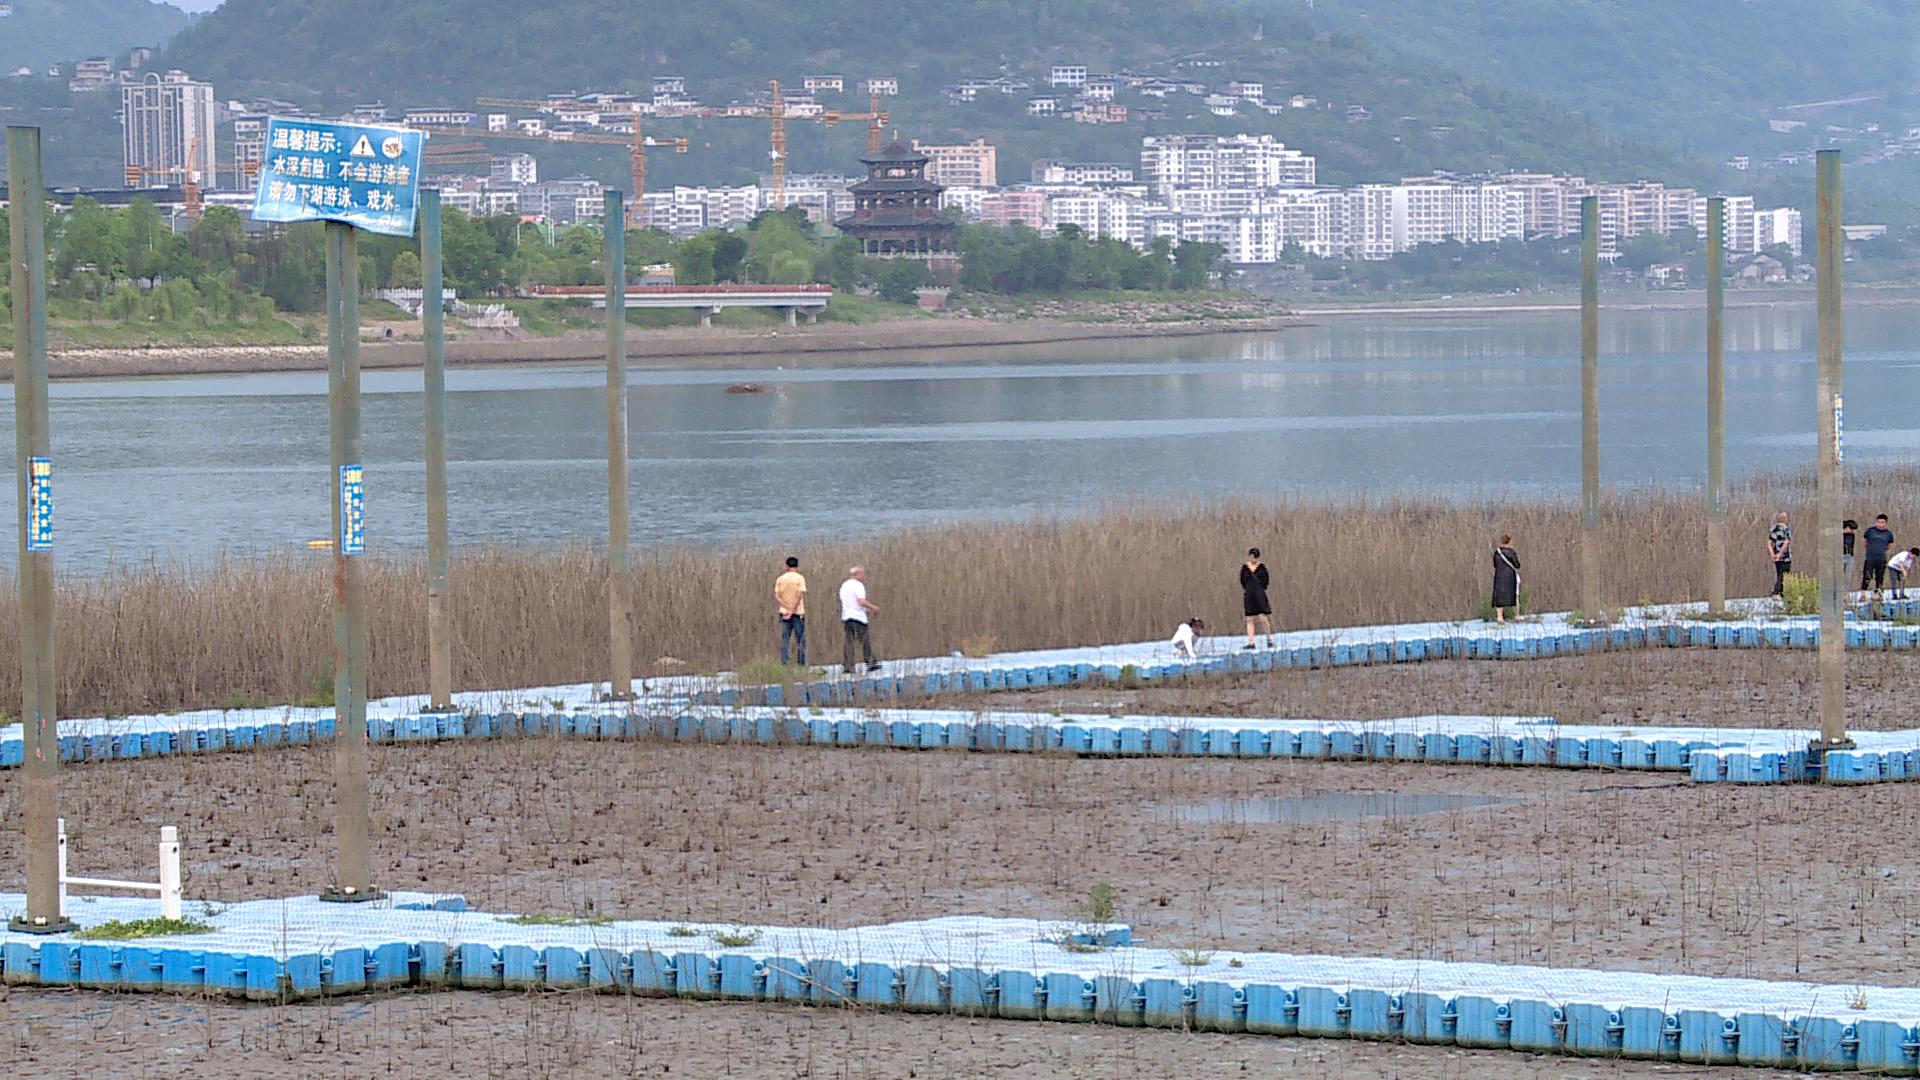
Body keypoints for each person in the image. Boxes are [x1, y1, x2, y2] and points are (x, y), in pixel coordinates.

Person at [838, 566, 880, 673]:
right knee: (865, 640)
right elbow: (861, 601)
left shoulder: (844, 585)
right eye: (862, 574)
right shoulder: (858, 585)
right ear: (857, 574)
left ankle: (848, 665)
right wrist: (873, 607)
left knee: (849, 641)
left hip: (847, 616)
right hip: (858, 617)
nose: (863, 576)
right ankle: (871, 663)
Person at [774, 556, 807, 667]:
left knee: (785, 639)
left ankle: (784, 663)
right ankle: (801, 664)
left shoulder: (780, 579)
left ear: (787, 566)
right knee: (800, 639)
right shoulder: (800, 578)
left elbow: (777, 596)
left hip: (784, 613)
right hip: (798, 613)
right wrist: (792, 610)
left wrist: (787, 608)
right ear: (797, 566)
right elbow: (799, 595)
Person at [1240, 547, 1273, 650]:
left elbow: (1266, 581)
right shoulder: (1245, 568)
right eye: (1251, 556)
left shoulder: (1262, 568)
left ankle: (1269, 639)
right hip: (1249, 594)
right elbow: (1242, 581)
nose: (1253, 559)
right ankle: (1251, 642)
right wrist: (1249, 588)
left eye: (1255, 557)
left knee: (1263, 617)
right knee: (1249, 619)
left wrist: (1259, 589)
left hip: (1259, 594)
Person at [1491, 535, 1521, 624]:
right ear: (1509, 542)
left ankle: (1500, 617)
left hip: (1499, 577)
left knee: (1499, 597)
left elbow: (1495, 564)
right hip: (1510, 577)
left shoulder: (1497, 552)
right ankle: (1517, 615)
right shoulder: (1511, 552)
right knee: (1514, 595)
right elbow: (1517, 565)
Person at [1862, 514, 1894, 593]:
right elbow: (1864, 541)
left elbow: (1890, 545)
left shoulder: (1888, 534)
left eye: (1882, 522)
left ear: (1886, 523)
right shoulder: (1870, 531)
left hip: (1882, 558)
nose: (1880, 524)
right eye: (1878, 522)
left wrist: (1882, 549)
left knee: (1879, 577)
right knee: (1867, 576)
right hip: (1870, 558)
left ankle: (1877, 593)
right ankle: (1863, 594)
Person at [1768, 511, 1792, 598]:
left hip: (1776, 557)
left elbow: (1769, 543)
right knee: (1784, 575)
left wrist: (1773, 554)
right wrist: (1780, 554)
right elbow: (1786, 542)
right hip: (1785, 557)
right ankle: (1777, 592)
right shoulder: (1785, 529)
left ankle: (1780, 592)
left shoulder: (1773, 529)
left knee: (1779, 573)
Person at [1843, 519, 1858, 590]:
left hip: (1849, 556)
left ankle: (1845, 594)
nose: (1853, 531)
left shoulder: (1852, 535)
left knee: (1847, 578)